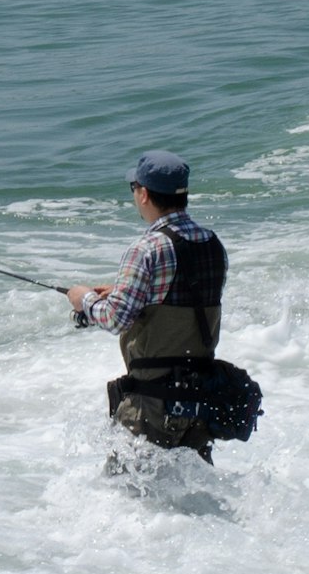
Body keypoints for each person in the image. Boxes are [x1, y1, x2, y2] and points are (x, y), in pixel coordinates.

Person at [69, 152, 228, 456]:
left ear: (143, 194)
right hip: (199, 401)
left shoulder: (147, 249)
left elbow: (115, 320)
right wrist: (125, 291)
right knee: (190, 496)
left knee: (127, 496)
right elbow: (190, 297)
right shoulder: (213, 244)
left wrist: (83, 298)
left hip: (150, 405)